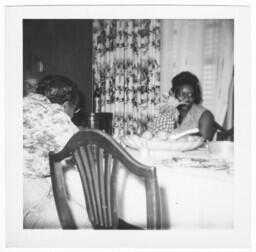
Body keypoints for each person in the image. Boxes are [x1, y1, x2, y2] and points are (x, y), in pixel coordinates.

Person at [23, 74, 90, 228]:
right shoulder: (53, 112)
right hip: (28, 197)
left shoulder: (27, 103)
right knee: (87, 220)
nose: (73, 115)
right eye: (75, 109)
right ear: (66, 105)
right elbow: (84, 155)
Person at [170, 71, 216, 141]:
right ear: (174, 95)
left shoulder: (206, 116)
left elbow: (203, 144)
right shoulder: (169, 113)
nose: (186, 99)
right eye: (182, 94)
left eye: (190, 95)